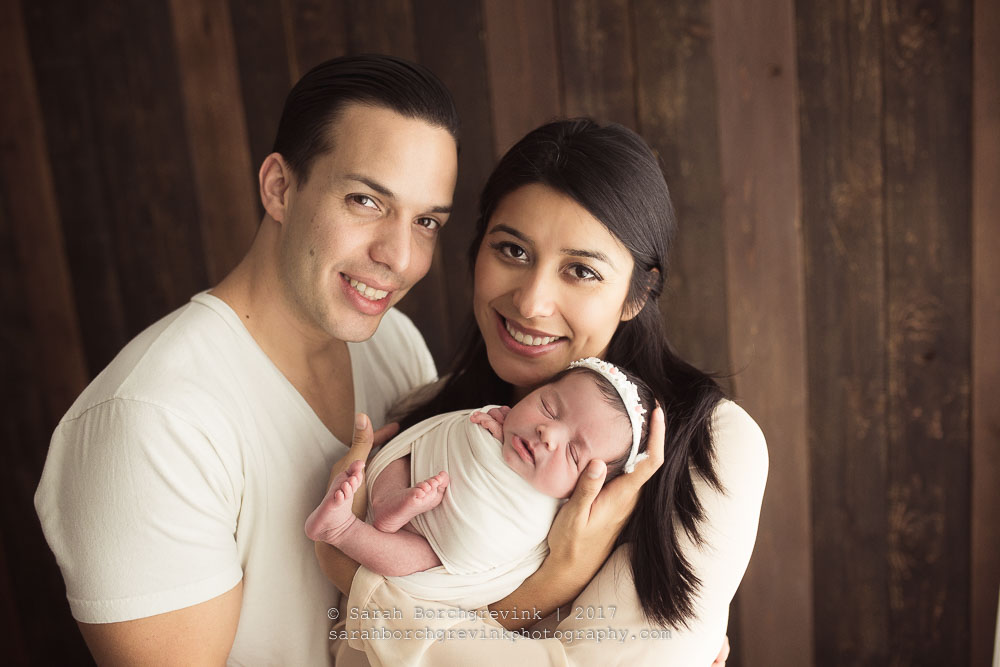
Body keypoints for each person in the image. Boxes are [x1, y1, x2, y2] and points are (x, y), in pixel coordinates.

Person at [34, 54, 459, 665]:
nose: (399, 255)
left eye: (425, 221)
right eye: (366, 201)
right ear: (280, 187)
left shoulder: (395, 342)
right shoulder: (150, 421)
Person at [316, 118, 768, 666]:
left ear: (637, 294)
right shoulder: (421, 420)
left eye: (580, 270)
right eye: (513, 251)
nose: (531, 302)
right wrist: (555, 583)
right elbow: (348, 656)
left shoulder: (711, 446)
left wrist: (351, 572)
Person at [305, 359, 653, 610]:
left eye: (574, 454)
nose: (548, 435)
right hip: (411, 481)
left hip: (438, 549)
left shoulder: (555, 514)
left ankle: (343, 530)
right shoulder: (495, 420)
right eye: (548, 407)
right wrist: (485, 430)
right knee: (403, 459)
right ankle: (390, 506)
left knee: (419, 557)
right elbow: (446, 431)